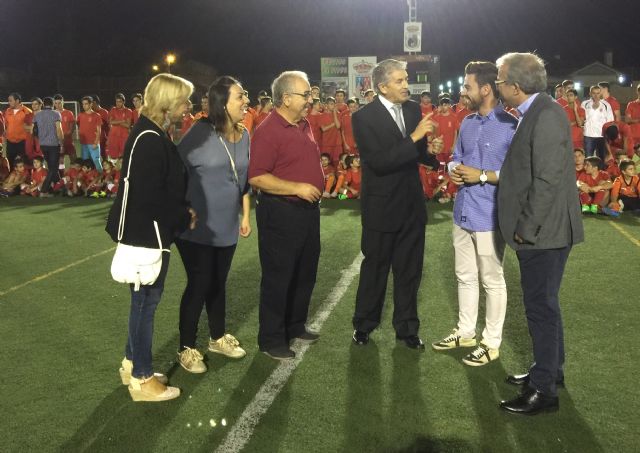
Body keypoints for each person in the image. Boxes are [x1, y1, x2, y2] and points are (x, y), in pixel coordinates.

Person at [495, 52, 584, 415]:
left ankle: (544, 390)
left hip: (543, 232)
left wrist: (525, 229)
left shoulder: (545, 114)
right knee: (546, 304)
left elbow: (546, 180)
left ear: (516, 87)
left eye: (500, 80)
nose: (498, 85)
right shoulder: (540, 110)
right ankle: (549, 371)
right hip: (545, 230)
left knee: (540, 308)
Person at [105, 73, 196, 402]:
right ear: (169, 102)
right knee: (145, 304)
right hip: (146, 234)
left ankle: (132, 364)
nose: (188, 106)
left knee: (142, 303)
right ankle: (142, 379)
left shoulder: (150, 131)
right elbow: (151, 195)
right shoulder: (149, 136)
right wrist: (183, 215)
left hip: (146, 231)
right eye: (184, 100)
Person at [431, 61, 517, 366]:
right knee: (464, 275)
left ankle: (491, 342)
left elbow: (515, 173)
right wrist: (454, 170)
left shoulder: (510, 125)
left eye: (467, 86)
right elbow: (456, 157)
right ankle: (465, 331)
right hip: (463, 210)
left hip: (490, 214)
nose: (462, 91)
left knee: (492, 280)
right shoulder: (466, 122)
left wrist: (479, 175)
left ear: (485, 89)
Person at [350, 59, 437, 349]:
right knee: (375, 269)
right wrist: (414, 138)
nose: (406, 85)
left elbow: (418, 153)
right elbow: (378, 162)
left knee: (409, 271)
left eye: (406, 79)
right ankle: (364, 325)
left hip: (411, 206)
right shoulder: (363, 118)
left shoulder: (413, 109)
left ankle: (407, 329)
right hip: (381, 208)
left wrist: (431, 154)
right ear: (383, 86)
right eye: (400, 81)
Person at [175, 76, 252, 373]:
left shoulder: (244, 135)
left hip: (226, 227)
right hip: (196, 229)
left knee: (218, 283)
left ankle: (217, 337)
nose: (245, 101)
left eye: (244, 95)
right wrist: (182, 209)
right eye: (239, 97)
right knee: (200, 283)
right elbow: (174, 173)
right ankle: (186, 347)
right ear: (222, 103)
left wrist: (245, 215)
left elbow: (242, 181)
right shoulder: (199, 133)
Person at [248, 70, 323, 360]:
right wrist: (297, 187)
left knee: (305, 272)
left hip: (306, 212)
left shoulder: (303, 124)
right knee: (279, 276)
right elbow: (256, 176)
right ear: (286, 97)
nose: (310, 99)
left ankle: (295, 325)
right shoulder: (268, 130)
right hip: (281, 212)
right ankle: (271, 339)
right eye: (305, 95)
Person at [33, 97, 64, 197]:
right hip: (54, 144)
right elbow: (59, 130)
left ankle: (61, 188)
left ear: (43, 104)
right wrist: (62, 143)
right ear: (52, 104)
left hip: (43, 145)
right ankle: (44, 190)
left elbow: (34, 131)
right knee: (53, 168)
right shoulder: (56, 113)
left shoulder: (37, 115)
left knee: (52, 167)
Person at [581, 85, 614, 163]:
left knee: (602, 159)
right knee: (588, 159)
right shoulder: (584, 104)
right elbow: (581, 119)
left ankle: (603, 174)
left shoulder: (606, 105)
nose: (596, 95)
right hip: (588, 135)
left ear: (601, 94)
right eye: (594, 93)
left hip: (602, 136)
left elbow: (610, 122)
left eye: (598, 93)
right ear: (590, 93)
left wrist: (608, 136)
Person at [3, 93, 32, 170]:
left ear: (17, 101)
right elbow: (6, 125)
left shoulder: (27, 111)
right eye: (8, 101)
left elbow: (31, 127)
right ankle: (11, 180)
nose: (9, 102)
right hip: (10, 142)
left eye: (10, 101)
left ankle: (26, 180)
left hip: (22, 142)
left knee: (24, 163)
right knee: (10, 163)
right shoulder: (7, 111)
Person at [76, 96, 103, 171]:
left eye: (86, 104)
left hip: (93, 143)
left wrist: (96, 142)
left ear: (91, 104)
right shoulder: (80, 115)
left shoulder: (96, 116)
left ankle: (101, 178)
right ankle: (88, 180)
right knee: (86, 163)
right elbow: (78, 125)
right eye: (83, 104)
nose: (84, 106)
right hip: (84, 143)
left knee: (96, 161)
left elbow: (99, 131)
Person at [106, 93, 133, 162]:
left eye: (120, 101)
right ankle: (113, 172)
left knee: (124, 157)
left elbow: (128, 125)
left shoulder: (128, 111)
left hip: (124, 137)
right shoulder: (113, 110)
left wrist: (116, 122)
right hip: (113, 136)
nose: (118, 103)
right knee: (113, 157)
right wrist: (122, 121)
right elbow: (111, 122)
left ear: (124, 102)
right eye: (116, 101)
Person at [53, 94, 77, 162]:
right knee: (60, 162)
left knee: (74, 160)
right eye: (56, 103)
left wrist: (69, 133)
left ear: (63, 102)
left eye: (59, 103)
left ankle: (74, 172)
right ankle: (62, 172)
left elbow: (73, 125)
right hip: (57, 142)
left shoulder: (69, 113)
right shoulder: (52, 114)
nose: (57, 105)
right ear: (54, 103)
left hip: (68, 141)